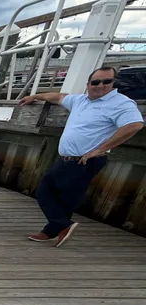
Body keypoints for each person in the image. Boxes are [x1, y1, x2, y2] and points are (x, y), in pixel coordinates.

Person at [19, 66, 143, 247]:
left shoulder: (120, 103)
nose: (100, 85)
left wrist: (101, 149)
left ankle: (60, 226)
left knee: (46, 191)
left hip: (85, 160)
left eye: (106, 81)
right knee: (61, 195)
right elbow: (60, 97)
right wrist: (35, 96)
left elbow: (135, 125)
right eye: (95, 82)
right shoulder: (81, 100)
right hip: (68, 158)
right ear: (88, 84)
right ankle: (55, 230)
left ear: (113, 83)